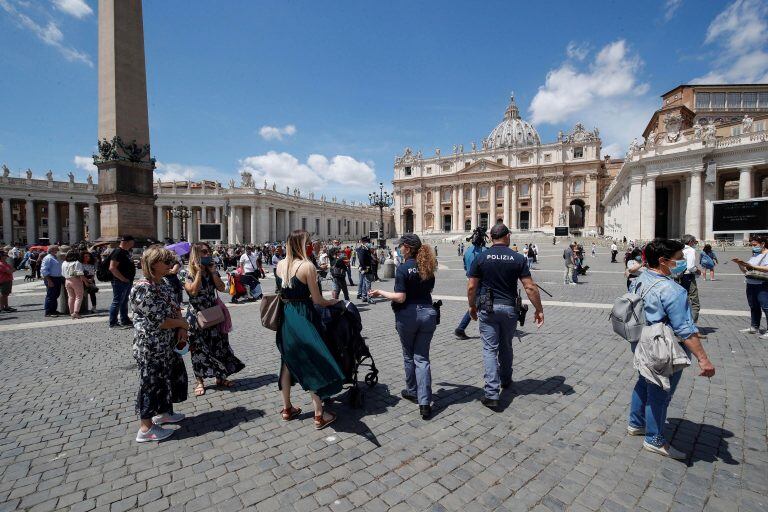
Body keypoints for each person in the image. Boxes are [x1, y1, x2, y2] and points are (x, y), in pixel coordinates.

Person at [627, 239, 715, 459]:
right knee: (660, 391)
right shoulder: (673, 290)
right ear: (663, 261)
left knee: (644, 381)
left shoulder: (639, 279)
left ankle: (636, 423)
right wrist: (703, 359)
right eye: (678, 259)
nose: (683, 262)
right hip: (662, 345)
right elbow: (685, 329)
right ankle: (654, 439)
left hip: (641, 340)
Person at [468, 223, 544, 410]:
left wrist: (471, 306)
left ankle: (492, 394)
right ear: (508, 236)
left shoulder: (481, 257)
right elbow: (530, 287)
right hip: (509, 308)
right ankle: (506, 379)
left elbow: (471, 287)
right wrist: (538, 309)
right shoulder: (518, 258)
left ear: (491, 237)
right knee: (506, 346)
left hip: (487, 308)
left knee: (489, 350)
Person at [275, 230, 343, 430]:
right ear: (302, 245)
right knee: (313, 361)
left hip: (286, 318)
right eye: (308, 243)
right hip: (304, 316)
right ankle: (319, 415)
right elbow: (318, 300)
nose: (311, 245)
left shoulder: (280, 265)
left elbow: (279, 292)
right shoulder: (307, 266)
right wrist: (333, 301)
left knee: (287, 363)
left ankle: (287, 409)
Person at [369, 234, 437, 420]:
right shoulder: (428, 267)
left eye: (400, 246)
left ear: (407, 247)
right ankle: (424, 402)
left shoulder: (403, 268)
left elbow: (400, 297)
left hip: (408, 315)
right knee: (422, 358)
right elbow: (429, 290)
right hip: (428, 313)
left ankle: (412, 390)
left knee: (409, 355)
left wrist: (380, 292)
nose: (399, 249)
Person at [130, 245, 190, 442]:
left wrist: (181, 327)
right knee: (151, 384)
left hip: (167, 343)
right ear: (154, 264)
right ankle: (146, 429)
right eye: (167, 262)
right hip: (151, 346)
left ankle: (163, 412)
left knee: (166, 380)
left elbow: (174, 307)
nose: (171, 265)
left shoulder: (162, 282)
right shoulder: (142, 288)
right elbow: (159, 320)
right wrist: (182, 323)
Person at [185, 242, 245, 396]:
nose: (208, 254)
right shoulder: (187, 272)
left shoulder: (212, 270)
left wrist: (212, 273)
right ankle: (200, 381)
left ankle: (220, 377)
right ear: (196, 254)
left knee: (219, 345)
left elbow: (221, 288)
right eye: (204, 252)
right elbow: (192, 291)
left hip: (214, 313)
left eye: (209, 251)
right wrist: (198, 272)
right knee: (199, 349)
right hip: (197, 317)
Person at [732, 235, 768, 339]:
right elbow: (746, 271)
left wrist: (752, 266)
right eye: (751, 245)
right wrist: (740, 264)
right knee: (753, 306)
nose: (753, 247)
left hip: (763, 284)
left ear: (762, 244)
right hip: (751, 283)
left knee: (766, 307)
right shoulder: (755, 255)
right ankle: (754, 327)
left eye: (755, 245)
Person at [455, 227, 487, 340]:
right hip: (482, 282)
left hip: (470, 280)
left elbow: (464, 266)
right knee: (479, 305)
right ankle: (460, 329)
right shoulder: (485, 251)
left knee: (476, 305)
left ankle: (461, 329)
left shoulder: (468, 251)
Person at [679, 235, 704, 338]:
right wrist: (697, 270)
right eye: (694, 242)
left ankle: (680, 327)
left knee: (681, 302)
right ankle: (692, 329)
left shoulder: (679, 250)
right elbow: (690, 267)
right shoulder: (690, 250)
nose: (695, 244)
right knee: (694, 303)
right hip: (688, 277)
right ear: (690, 242)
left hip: (678, 277)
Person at [109, 235, 136, 329]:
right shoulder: (118, 252)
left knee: (124, 301)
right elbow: (112, 268)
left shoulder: (126, 252)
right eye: (132, 242)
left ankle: (124, 319)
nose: (133, 244)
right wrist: (122, 278)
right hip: (119, 281)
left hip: (126, 280)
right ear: (126, 242)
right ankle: (113, 323)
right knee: (117, 301)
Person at [62, 250, 86, 319]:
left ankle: (71, 312)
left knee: (71, 297)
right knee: (79, 297)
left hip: (67, 280)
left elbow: (63, 273)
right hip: (76, 280)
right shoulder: (77, 263)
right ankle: (76, 312)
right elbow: (80, 273)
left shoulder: (64, 263)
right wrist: (85, 281)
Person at [40, 246, 63, 317]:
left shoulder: (55, 257)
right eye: (57, 249)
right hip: (51, 278)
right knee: (50, 295)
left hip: (57, 278)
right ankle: (48, 311)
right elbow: (44, 270)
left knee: (55, 295)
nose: (58, 250)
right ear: (52, 250)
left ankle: (53, 310)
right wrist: (49, 280)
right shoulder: (48, 258)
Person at [355, 238, 373, 303]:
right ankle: (369, 298)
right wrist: (364, 268)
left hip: (366, 268)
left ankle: (364, 296)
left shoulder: (366, 249)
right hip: (366, 269)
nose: (370, 243)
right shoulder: (362, 249)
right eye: (369, 242)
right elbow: (361, 260)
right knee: (368, 283)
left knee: (365, 284)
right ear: (365, 242)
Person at [0, 248, 16, 313]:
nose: (6, 257)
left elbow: (12, 269)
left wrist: (11, 270)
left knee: (6, 294)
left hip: (8, 280)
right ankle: (2, 308)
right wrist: (12, 270)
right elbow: (9, 271)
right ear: (1, 256)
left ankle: (6, 307)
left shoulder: (5, 263)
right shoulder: (1, 264)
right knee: (3, 294)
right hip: (4, 281)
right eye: (5, 256)